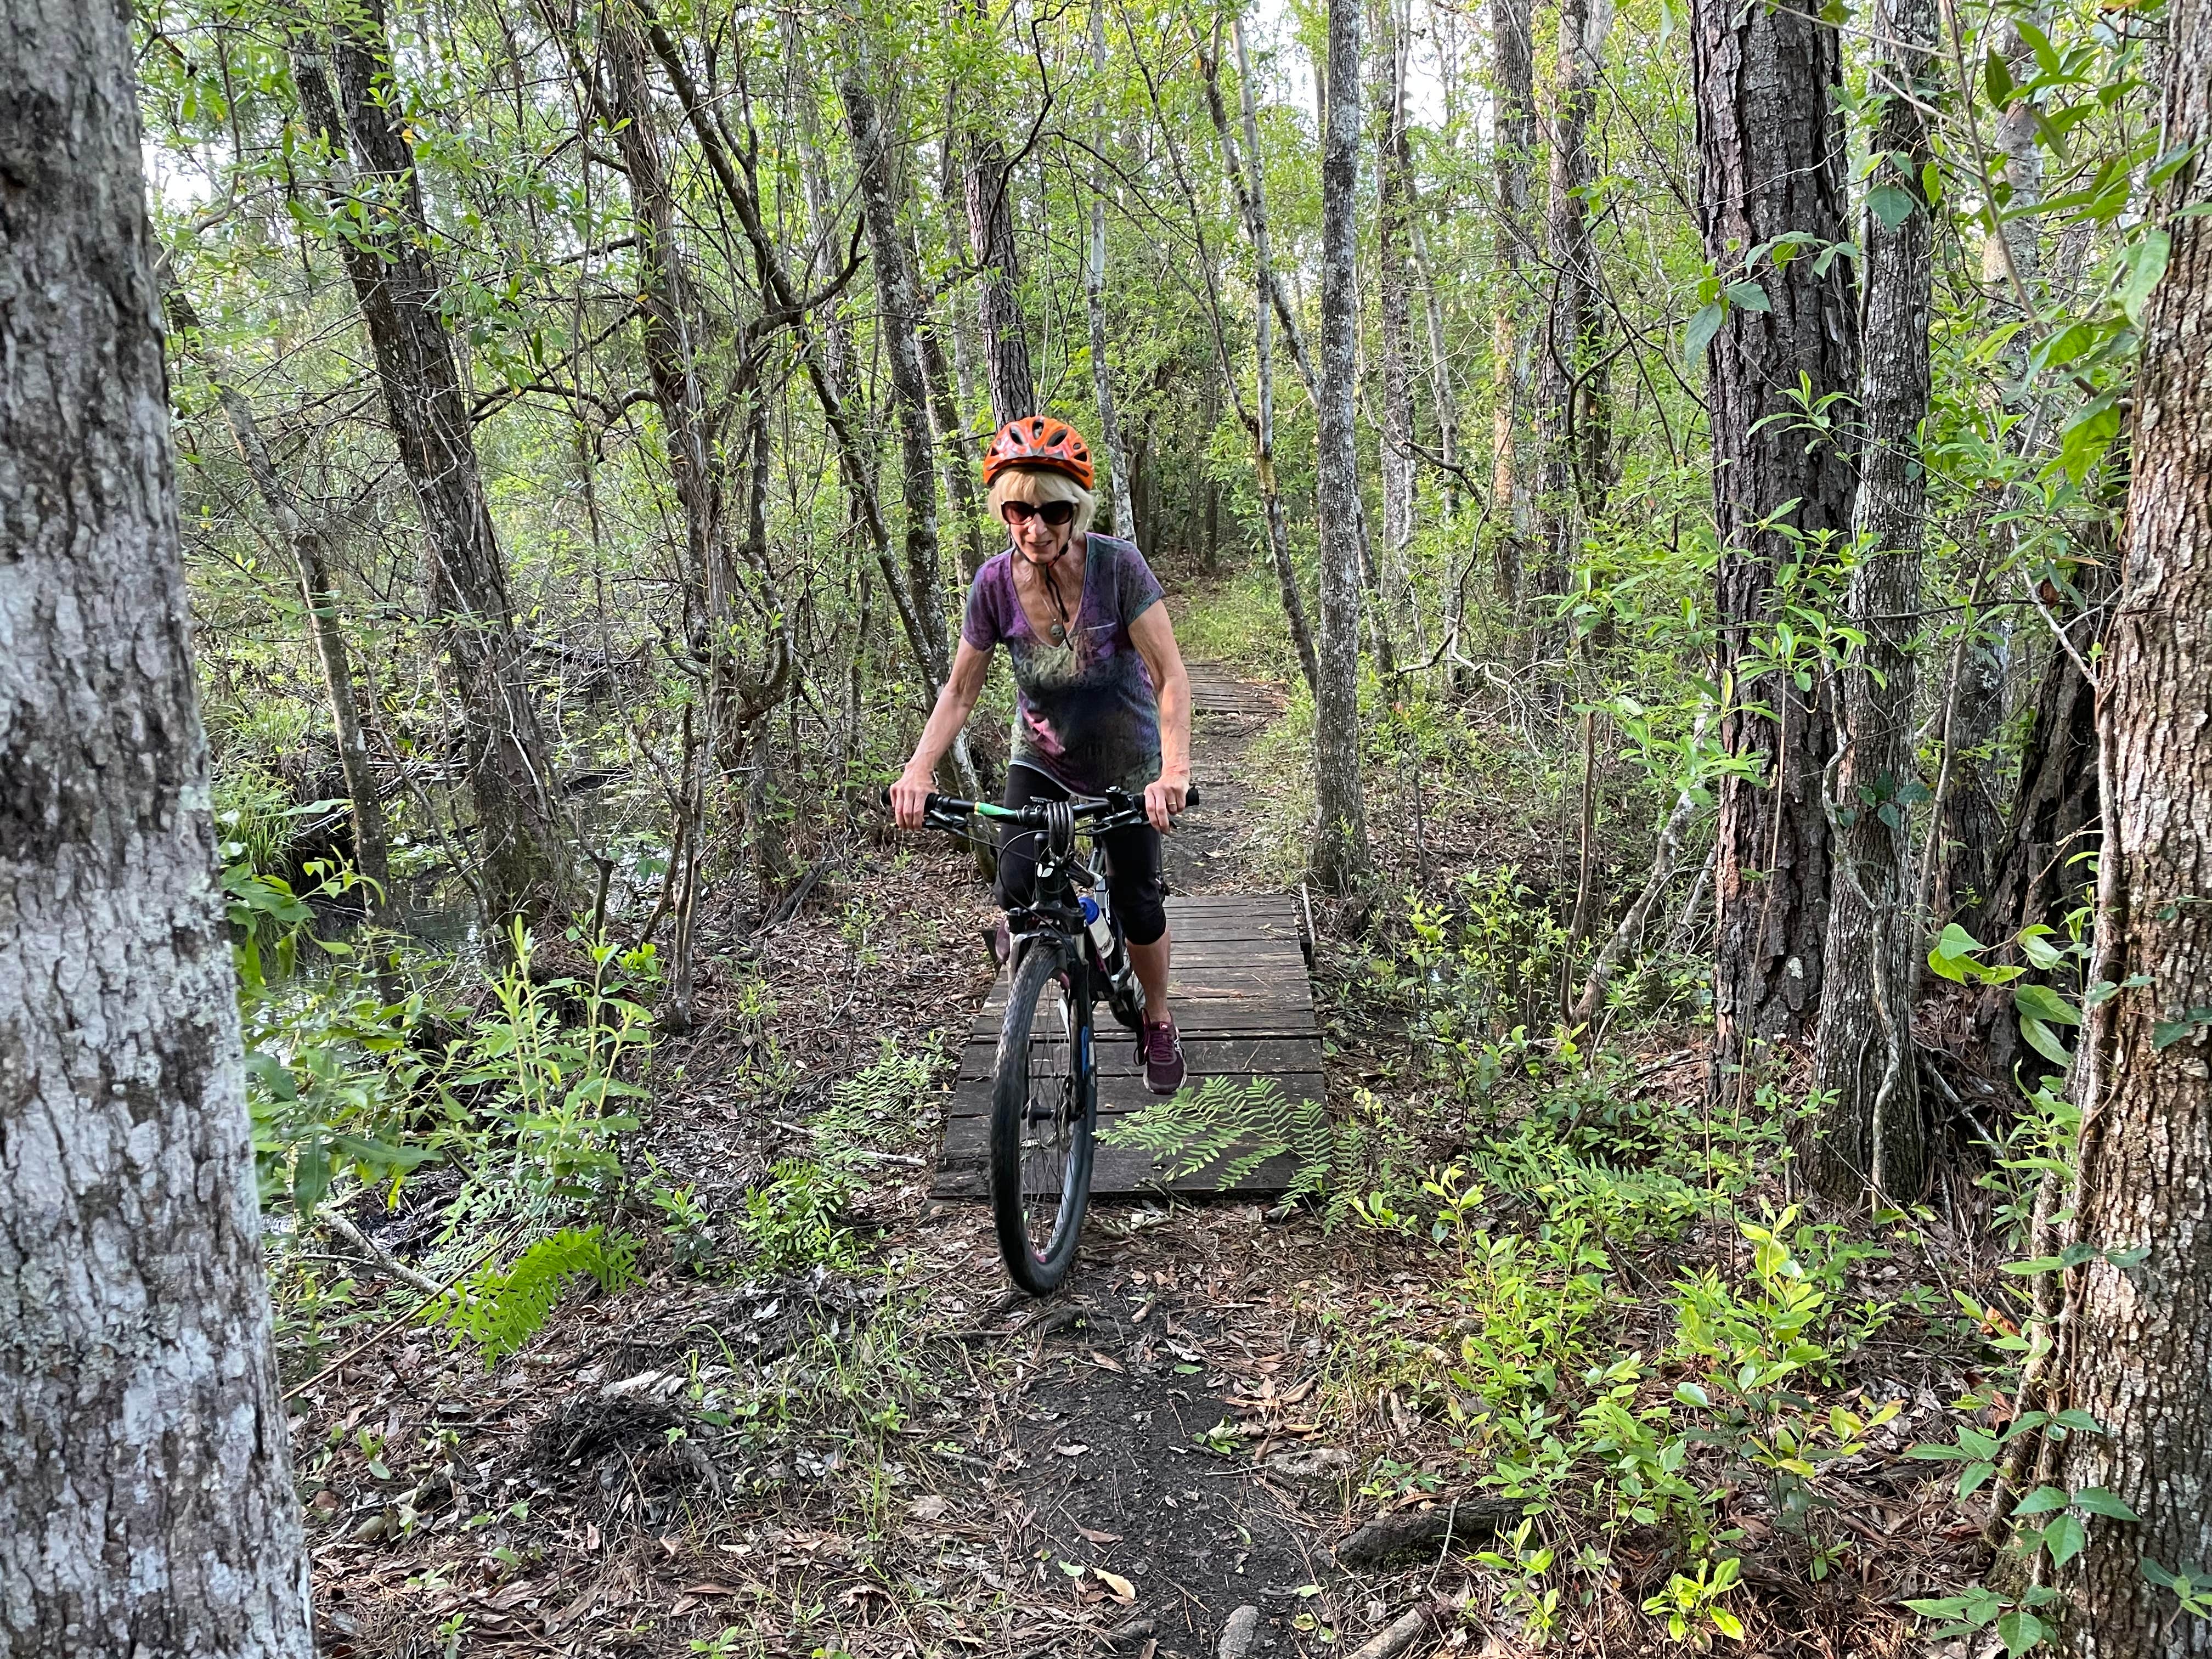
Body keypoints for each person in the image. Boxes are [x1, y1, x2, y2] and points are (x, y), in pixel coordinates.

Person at [890, 416, 1193, 1093]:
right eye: (1019, 511)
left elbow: (1170, 676)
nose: (1035, 528)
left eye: (1053, 511)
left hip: (1128, 762)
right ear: (1003, 511)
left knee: (1139, 900)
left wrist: (1173, 771)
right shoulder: (994, 585)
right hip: (1044, 755)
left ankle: (1158, 1018)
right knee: (1015, 884)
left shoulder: (1119, 568)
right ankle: (1045, 953)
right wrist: (917, 770)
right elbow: (960, 691)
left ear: (1076, 509)